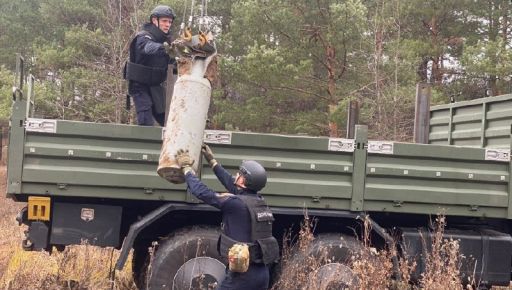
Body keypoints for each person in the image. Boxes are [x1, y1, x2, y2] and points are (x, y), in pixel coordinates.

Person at [174, 144, 280, 290]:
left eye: (239, 174)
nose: (236, 175)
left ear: (243, 181)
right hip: (262, 275)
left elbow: (202, 192)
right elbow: (232, 184)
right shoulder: (259, 202)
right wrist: (212, 162)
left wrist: (186, 169)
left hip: (242, 277)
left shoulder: (235, 204)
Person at [124, 5, 176, 126]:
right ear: (154, 20)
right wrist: (166, 48)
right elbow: (148, 48)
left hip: (156, 87)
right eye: (164, 21)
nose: (168, 24)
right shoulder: (143, 37)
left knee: (169, 122)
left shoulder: (167, 41)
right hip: (139, 87)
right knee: (145, 121)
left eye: (170, 21)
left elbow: (174, 63)